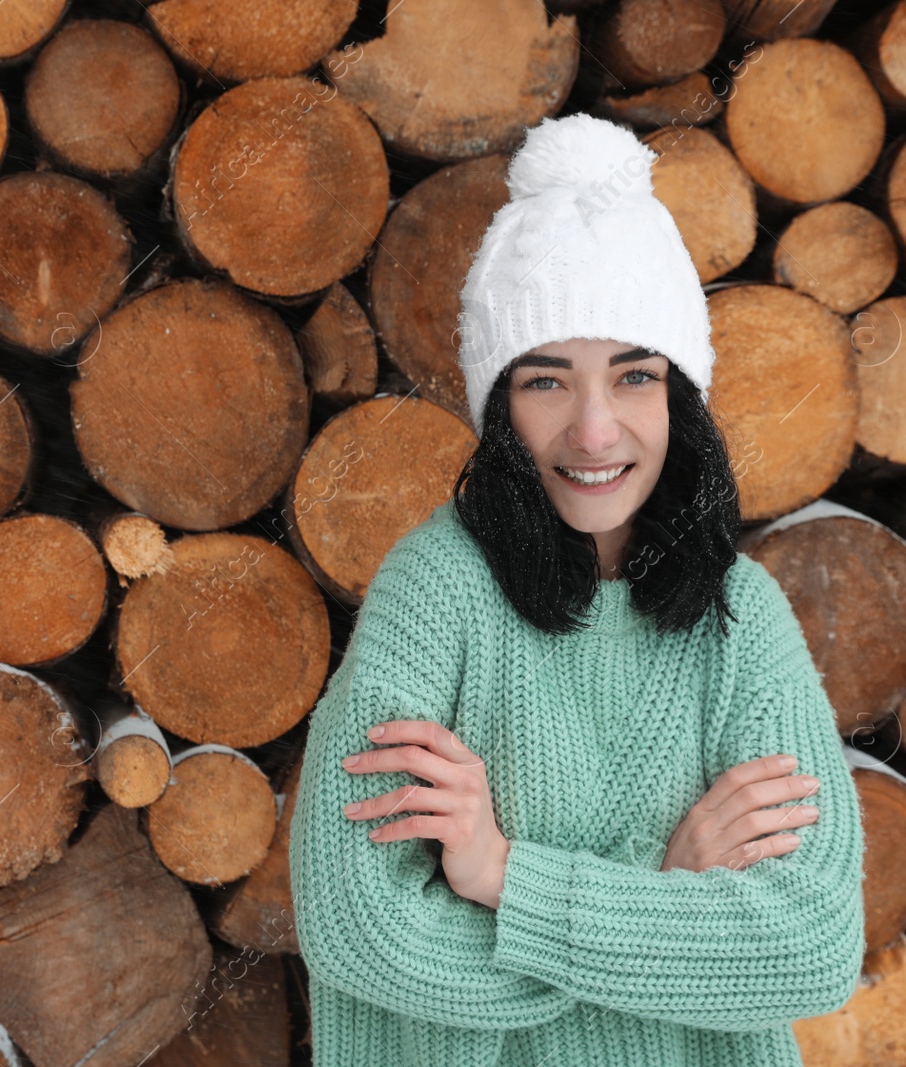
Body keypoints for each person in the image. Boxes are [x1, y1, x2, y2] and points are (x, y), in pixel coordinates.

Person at [287, 113, 867, 1067]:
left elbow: (807, 948)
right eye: (548, 383)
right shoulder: (436, 593)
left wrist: (506, 877)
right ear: (499, 403)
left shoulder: (740, 615)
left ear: (679, 397)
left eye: (634, 377)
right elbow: (364, 931)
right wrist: (667, 894)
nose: (595, 433)